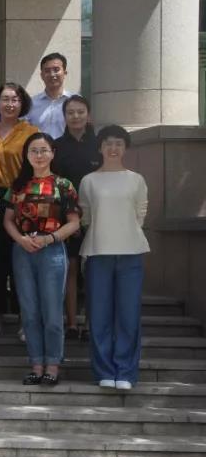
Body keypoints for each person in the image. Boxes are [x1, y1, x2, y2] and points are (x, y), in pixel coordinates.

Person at [3, 132, 81, 386]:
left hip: (52, 251)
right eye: (34, 151)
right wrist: (20, 239)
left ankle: (52, 365)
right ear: (26, 155)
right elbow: (8, 220)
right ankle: (36, 365)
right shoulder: (18, 186)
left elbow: (74, 222)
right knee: (29, 311)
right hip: (23, 251)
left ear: (52, 153)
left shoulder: (64, 185)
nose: (39, 155)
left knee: (52, 311)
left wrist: (50, 239)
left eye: (43, 150)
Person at [79, 125, 150, 390]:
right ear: (100, 147)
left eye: (119, 143)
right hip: (98, 252)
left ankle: (126, 372)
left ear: (125, 148)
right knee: (99, 315)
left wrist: (124, 232)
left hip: (131, 253)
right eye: (108, 143)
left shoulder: (136, 179)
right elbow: (85, 216)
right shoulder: (89, 181)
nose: (113, 148)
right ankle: (105, 371)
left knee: (128, 315)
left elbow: (141, 213)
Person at [0, 82, 38, 339]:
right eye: (5, 99)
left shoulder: (31, 133)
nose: (10, 104)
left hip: (22, 201)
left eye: (15, 99)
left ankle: (26, 320)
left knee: (22, 264)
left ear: (22, 103)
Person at [53, 95, 101, 337]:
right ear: (64, 116)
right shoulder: (57, 146)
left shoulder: (100, 145)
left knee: (93, 270)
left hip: (98, 216)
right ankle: (71, 323)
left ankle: (91, 323)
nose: (75, 116)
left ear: (88, 115)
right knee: (70, 267)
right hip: (66, 217)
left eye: (80, 112)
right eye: (70, 112)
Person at [28, 52, 72, 138]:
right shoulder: (31, 104)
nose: (52, 74)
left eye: (56, 70)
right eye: (47, 71)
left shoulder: (75, 101)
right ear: (42, 75)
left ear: (65, 73)